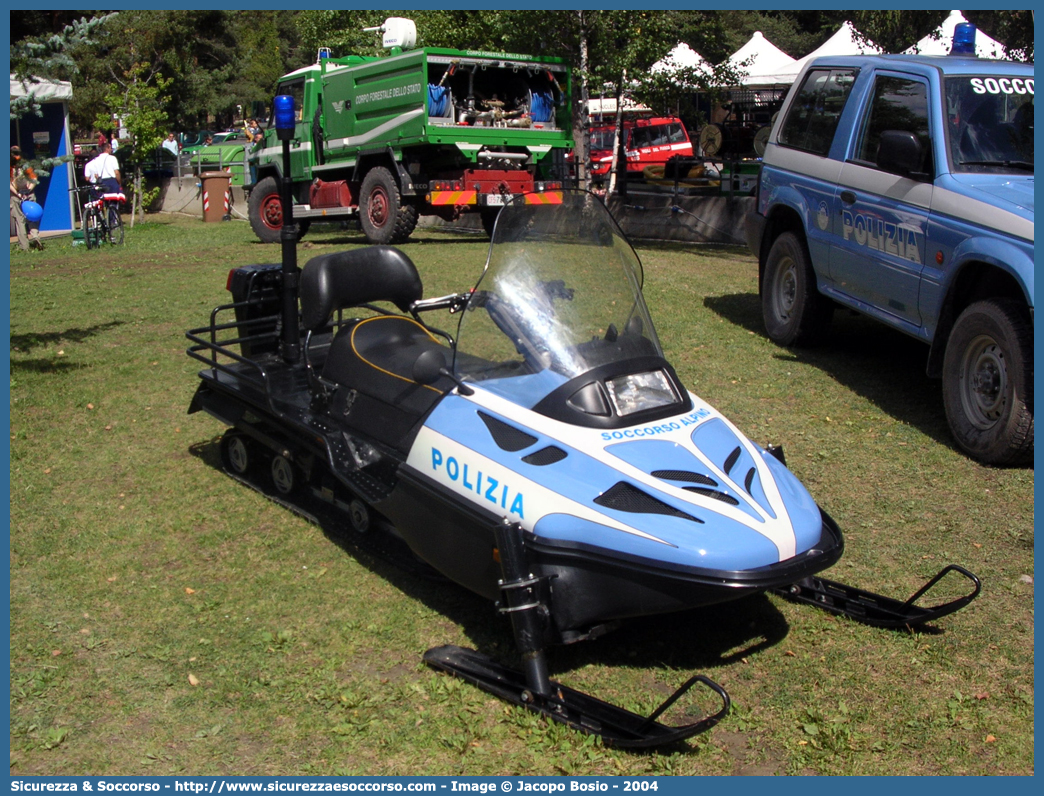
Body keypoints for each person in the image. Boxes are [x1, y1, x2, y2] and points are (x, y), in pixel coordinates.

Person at [10, 145, 43, 250]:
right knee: (33, 218)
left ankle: (24, 246)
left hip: (16, 195)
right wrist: (28, 190)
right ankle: (35, 236)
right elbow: (34, 179)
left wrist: (18, 194)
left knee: (19, 220)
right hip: (29, 193)